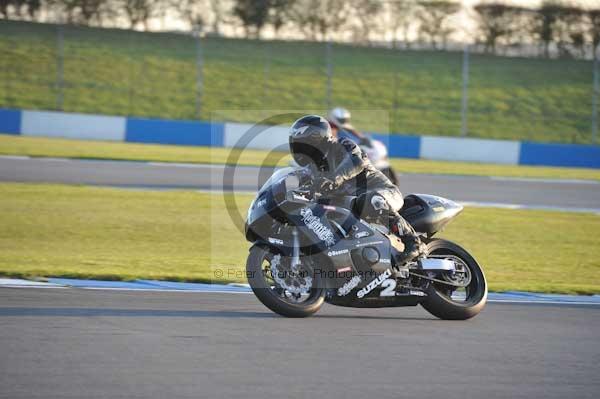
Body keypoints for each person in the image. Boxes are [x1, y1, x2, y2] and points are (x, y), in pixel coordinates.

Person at [288, 114, 425, 266]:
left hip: (383, 193)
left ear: (316, 140)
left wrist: (335, 178)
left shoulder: (342, 145)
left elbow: (356, 162)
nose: (300, 150)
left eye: (303, 145)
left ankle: (413, 243)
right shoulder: (312, 170)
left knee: (371, 200)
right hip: (355, 210)